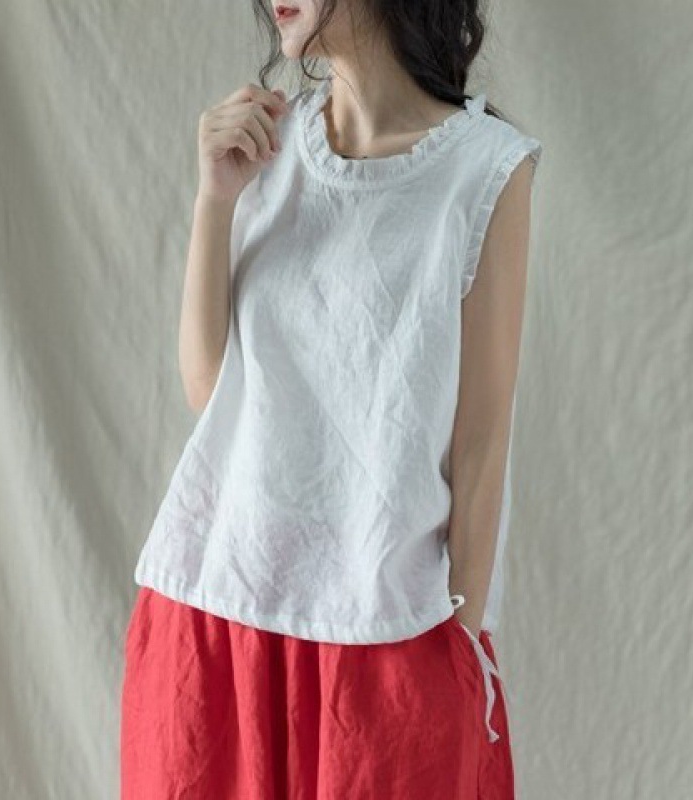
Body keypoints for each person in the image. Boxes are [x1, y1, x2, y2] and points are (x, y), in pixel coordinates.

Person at [120, 1, 543, 797]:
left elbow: (482, 445)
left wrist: (457, 646)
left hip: (386, 637)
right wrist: (215, 199)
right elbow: (211, 391)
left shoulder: (486, 170)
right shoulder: (265, 149)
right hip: (218, 616)